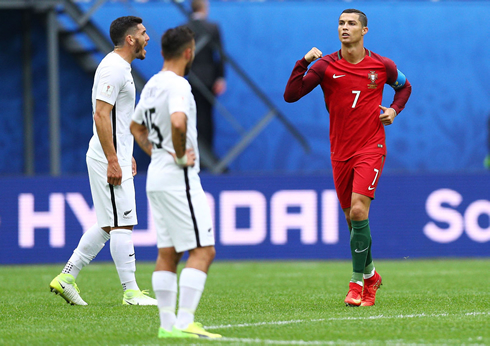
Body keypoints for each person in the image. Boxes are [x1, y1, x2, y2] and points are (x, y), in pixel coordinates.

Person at [284, 9, 412, 307]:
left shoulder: (382, 65)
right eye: (341, 23)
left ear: (364, 30)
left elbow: (404, 86)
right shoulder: (325, 66)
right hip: (340, 151)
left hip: (371, 147)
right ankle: (371, 274)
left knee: (357, 212)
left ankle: (357, 285)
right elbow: (291, 95)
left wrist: (394, 110)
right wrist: (303, 63)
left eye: (351, 23)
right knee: (352, 218)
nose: (345, 28)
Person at [50, 16, 156, 306]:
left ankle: (66, 277)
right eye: (144, 33)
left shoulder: (121, 67)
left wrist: (126, 153)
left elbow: (117, 119)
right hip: (106, 158)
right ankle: (131, 292)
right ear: (130, 39)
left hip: (116, 155)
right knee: (123, 224)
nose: (149, 38)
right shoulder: (112, 68)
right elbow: (100, 114)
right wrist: (112, 159)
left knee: (109, 223)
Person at [130, 25, 221, 338]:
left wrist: (156, 152)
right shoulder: (179, 85)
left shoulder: (153, 84)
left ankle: (168, 326)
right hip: (177, 175)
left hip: (156, 174)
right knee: (203, 251)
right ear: (188, 52)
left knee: (168, 252)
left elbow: (136, 126)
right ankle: (184, 322)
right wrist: (180, 155)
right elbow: (178, 122)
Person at [186, 0, 226, 170]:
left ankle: (195, 157)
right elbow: (220, 55)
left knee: (191, 118)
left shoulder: (184, 27)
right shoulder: (213, 27)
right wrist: (220, 78)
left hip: (190, 78)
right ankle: (205, 157)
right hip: (209, 80)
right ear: (205, 8)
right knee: (206, 118)